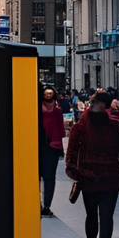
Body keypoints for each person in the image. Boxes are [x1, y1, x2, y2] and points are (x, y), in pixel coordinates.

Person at [65, 89, 119, 238]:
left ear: (103, 105)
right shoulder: (81, 126)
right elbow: (71, 152)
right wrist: (74, 171)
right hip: (88, 176)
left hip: (109, 175)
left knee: (106, 217)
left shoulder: (114, 126)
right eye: (92, 101)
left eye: (95, 102)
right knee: (91, 216)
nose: (92, 104)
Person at [39, 86, 65, 217]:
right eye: (46, 93)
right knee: (46, 178)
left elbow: (61, 128)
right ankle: (41, 204)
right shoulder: (39, 109)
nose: (48, 95)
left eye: (50, 93)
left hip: (51, 146)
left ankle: (46, 205)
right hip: (42, 145)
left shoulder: (57, 110)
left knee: (48, 178)